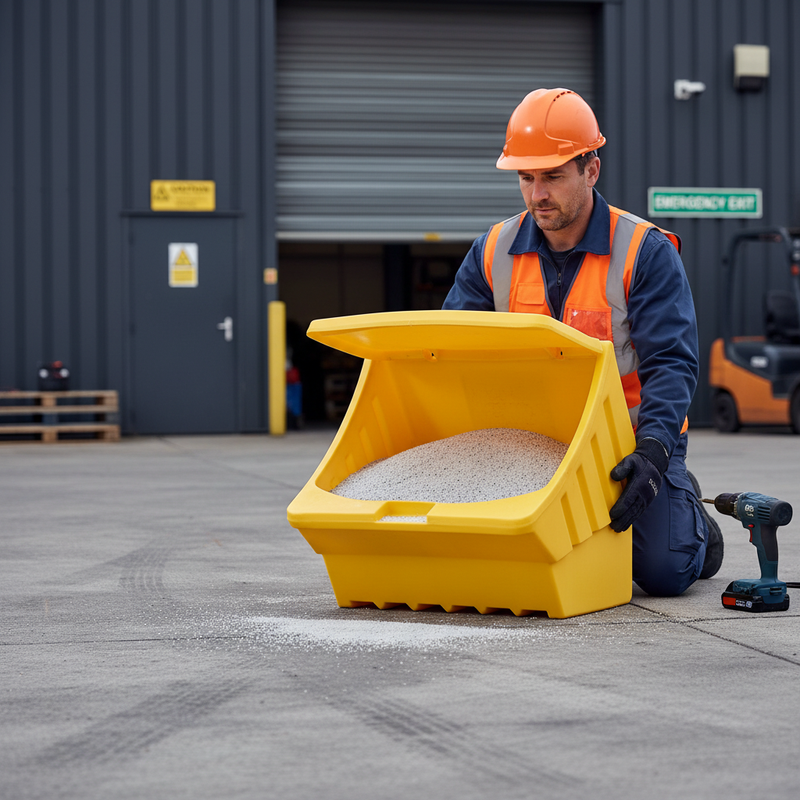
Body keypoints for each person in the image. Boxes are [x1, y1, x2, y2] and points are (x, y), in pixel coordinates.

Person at [443, 87, 723, 596]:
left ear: (591, 170)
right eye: (526, 178)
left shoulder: (644, 251)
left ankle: (693, 519)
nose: (537, 194)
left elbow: (671, 363)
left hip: (628, 443)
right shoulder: (492, 252)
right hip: (533, 442)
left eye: (552, 176)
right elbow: (450, 351)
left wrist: (655, 452)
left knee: (665, 573)